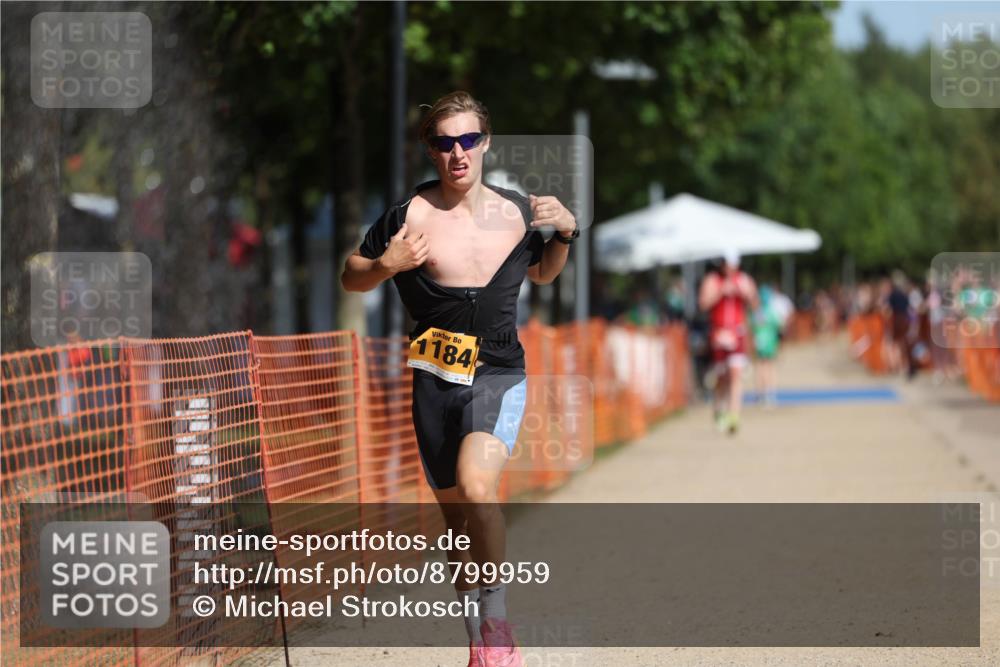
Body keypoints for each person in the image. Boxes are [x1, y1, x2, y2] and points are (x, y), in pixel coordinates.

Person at [341, 91, 576, 667]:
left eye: (468, 140)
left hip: (498, 369)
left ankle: (497, 625)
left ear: (486, 142)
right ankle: (478, 639)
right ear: (430, 149)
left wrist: (567, 233)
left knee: (477, 489)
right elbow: (351, 276)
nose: (458, 153)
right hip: (434, 377)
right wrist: (385, 265)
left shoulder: (519, 212)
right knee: (455, 521)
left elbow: (543, 274)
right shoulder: (406, 217)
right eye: (445, 143)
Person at [699, 249, 758, 434]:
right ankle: (719, 409)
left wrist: (744, 293)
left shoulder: (744, 279)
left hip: (737, 334)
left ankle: (734, 415)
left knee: (736, 374)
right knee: (721, 377)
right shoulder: (712, 280)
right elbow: (703, 304)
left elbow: (755, 304)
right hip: (719, 333)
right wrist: (720, 291)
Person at [751, 285, 783, 408]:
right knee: (769, 367)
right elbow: (779, 325)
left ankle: (760, 394)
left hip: (760, 342)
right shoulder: (771, 311)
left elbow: (752, 327)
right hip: (770, 343)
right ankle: (770, 394)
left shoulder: (757, 312)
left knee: (760, 367)